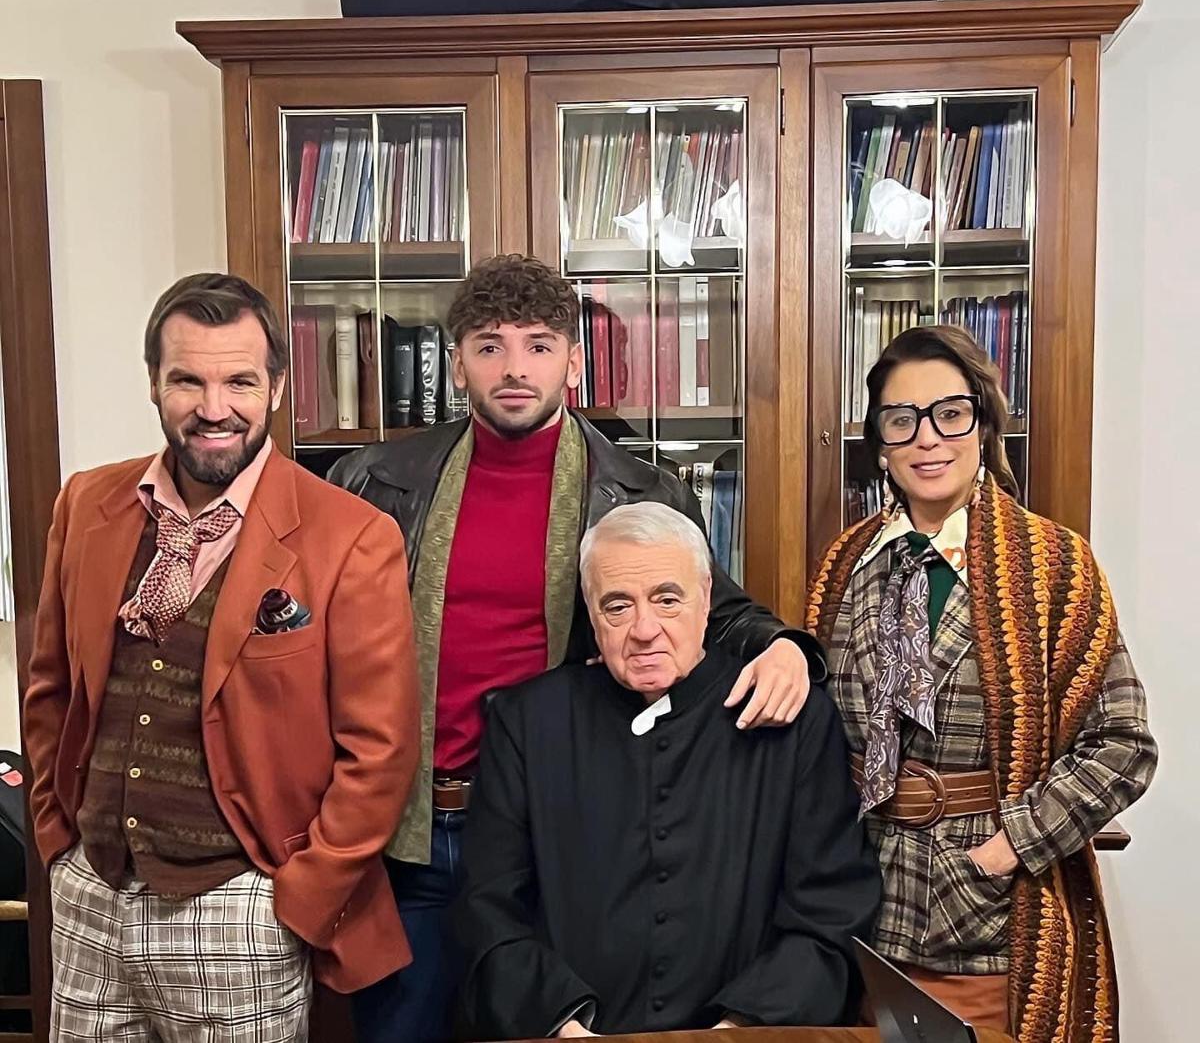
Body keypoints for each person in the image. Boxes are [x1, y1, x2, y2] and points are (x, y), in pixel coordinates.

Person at [329, 254, 822, 1043]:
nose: (514, 368)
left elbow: (709, 606)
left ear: (574, 361)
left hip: (560, 835)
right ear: (456, 364)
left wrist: (786, 647)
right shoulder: (375, 482)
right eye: (489, 346)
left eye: (538, 345)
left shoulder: (644, 491)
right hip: (413, 831)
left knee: (552, 1023)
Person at [23, 273, 420, 1041]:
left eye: (239, 381)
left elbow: (381, 750)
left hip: (240, 910)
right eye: (187, 381)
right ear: (153, 383)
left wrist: (297, 898)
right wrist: (56, 844)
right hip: (91, 898)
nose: (213, 408)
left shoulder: (351, 535)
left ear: (276, 388)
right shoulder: (85, 504)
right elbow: (51, 690)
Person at [806, 325, 1157, 1043]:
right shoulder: (845, 564)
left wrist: (1007, 848)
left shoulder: (1054, 564)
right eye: (901, 420)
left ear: (984, 423)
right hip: (859, 913)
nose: (927, 439)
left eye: (949, 413)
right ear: (880, 442)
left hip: (992, 924)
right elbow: (818, 737)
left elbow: (1123, 744)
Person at [454, 501, 880, 1038]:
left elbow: (830, 911)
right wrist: (564, 1025)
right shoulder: (527, 721)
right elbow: (488, 906)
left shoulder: (791, 720)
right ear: (591, 614)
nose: (644, 629)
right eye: (617, 606)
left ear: (706, 599)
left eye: (667, 599)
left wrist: (739, 1029)